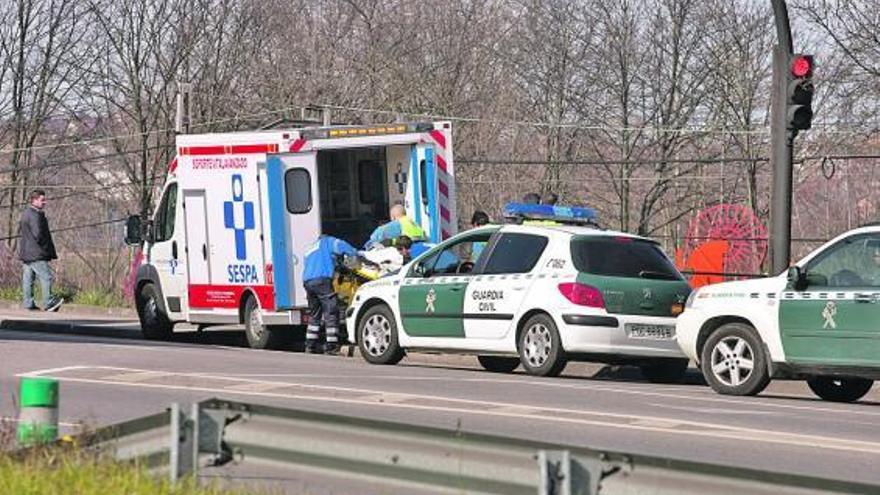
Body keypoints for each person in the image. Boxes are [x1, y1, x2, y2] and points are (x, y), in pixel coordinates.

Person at [302, 235, 358, 355]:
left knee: (315, 314)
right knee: (331, 312)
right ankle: (331, 346)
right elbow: (344, 246)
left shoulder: (310, 248)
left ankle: (310, 345)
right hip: (322, 280)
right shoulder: (328, 242)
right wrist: (355, 253)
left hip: (308, 282)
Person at [19, 190, 63, 312]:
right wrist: (45, 249)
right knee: (46, 277)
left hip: (26, 253)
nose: (44, 202)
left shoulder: (26, 213)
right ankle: (48, 302)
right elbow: (38, 235)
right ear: (34, 200)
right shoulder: (35, 215)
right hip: (36, 253)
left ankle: (28, 303)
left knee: (28, 279)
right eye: (42, 200)